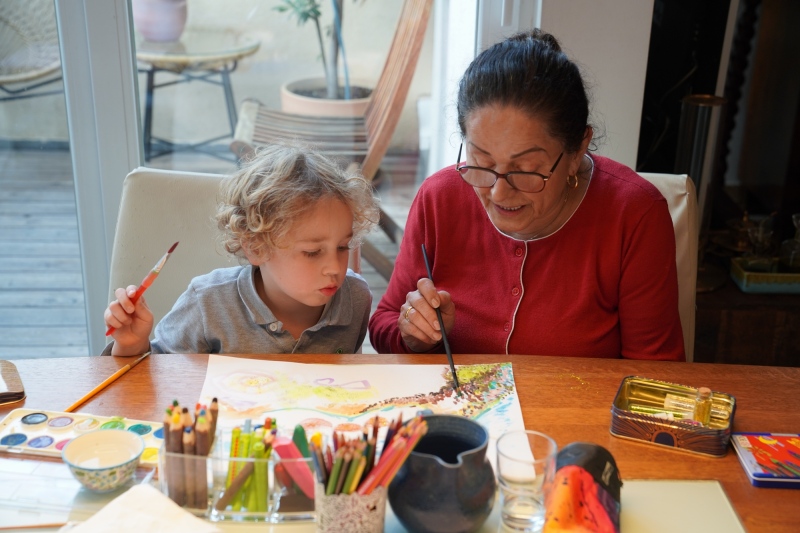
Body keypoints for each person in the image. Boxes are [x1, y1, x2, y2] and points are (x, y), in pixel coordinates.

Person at [369, 30, 685, 361]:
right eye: (481, 162)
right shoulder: (440, 198)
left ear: (578, 149)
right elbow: (385, 322)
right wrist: (415, 336)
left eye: (526, 169)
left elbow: (656, 372)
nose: (499, 192)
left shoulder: (635, 215)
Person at [104, 143, 380, 356]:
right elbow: (153, 379)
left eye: (342, 246)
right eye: (312, 252)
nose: (335, 267)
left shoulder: (355, 298)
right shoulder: (207, 302)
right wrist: (131, 344)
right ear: (256, 248)